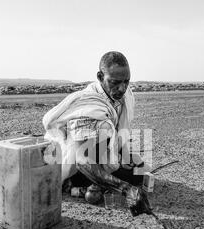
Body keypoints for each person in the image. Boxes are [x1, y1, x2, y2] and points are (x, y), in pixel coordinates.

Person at [42, 51, 152, 216]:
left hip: (101, 152)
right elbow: (83, 161)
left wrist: (129, 158)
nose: (122, 88)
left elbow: (119, 133)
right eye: (115, 82)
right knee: (125, 179)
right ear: (100, 77)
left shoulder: (124, 95)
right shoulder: (88, 107)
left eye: (126, 82)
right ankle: (73, 184)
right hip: (74, 162)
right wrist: (126, 189)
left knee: (139, 172)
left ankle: (101, 182)